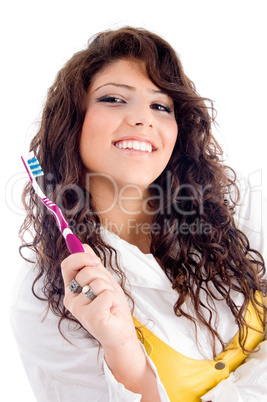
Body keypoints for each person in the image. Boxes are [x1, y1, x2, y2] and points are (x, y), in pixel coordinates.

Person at [11, 26, 267, 401]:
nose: (143, 118)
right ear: (71, 122)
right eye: (114, 99)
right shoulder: (44, 299)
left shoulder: (232, 202)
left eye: (161, 106)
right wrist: (121, 351)